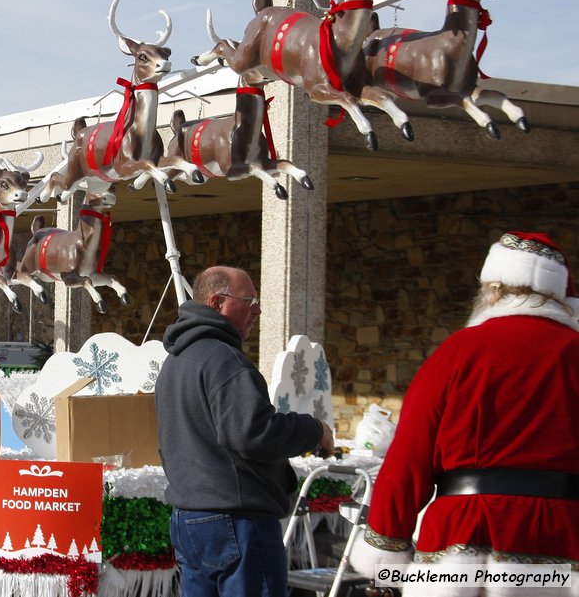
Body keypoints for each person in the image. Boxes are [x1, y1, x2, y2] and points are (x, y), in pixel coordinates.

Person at [352, 232, 579, 596]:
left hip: (460, 531)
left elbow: (408, 459)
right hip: (559, 534)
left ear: (493, 289)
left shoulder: (456, 352)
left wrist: (385, 548)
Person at [155, 265, 333, 597]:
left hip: (189, 519)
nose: (258, 309)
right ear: (217, 302)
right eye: (249, 300)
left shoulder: (176, 361)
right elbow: (254, 433)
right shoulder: (225, 360)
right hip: (236, 520)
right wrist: (314, 429)